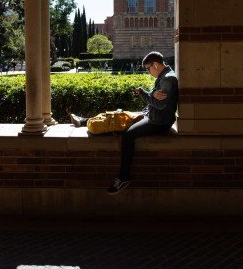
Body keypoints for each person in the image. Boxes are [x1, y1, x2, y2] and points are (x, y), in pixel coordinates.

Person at [70, 51, 178, 195]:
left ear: (156, 65)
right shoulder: (165, 75)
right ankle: (84, 121)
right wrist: (152, 94)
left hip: (158, 121)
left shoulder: (168, 79)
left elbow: (160, 105)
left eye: (148, 68)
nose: (148, 71)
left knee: (128, 134)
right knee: (121, 117)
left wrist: (143, 93)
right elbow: (156, 98)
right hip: (153, 115)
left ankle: (124, 177)